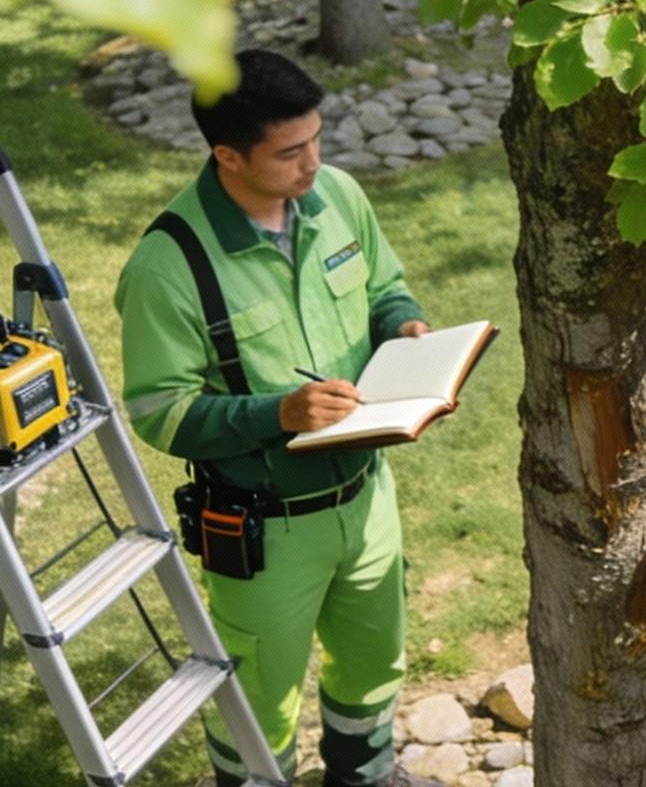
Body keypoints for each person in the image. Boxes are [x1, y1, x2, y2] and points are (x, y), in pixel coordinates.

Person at [117, 49, 432, 787]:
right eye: (290, 152)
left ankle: (366, 777)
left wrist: (405, 323)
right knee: (260, 701)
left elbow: (385, 286)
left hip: (367, 495)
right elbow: (160, 413)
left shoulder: (340, 198)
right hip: (266, 528)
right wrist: (276, 414)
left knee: (373, 663)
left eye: (317, 140)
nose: (313, 164)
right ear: (226, 155)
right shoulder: (168, 268)